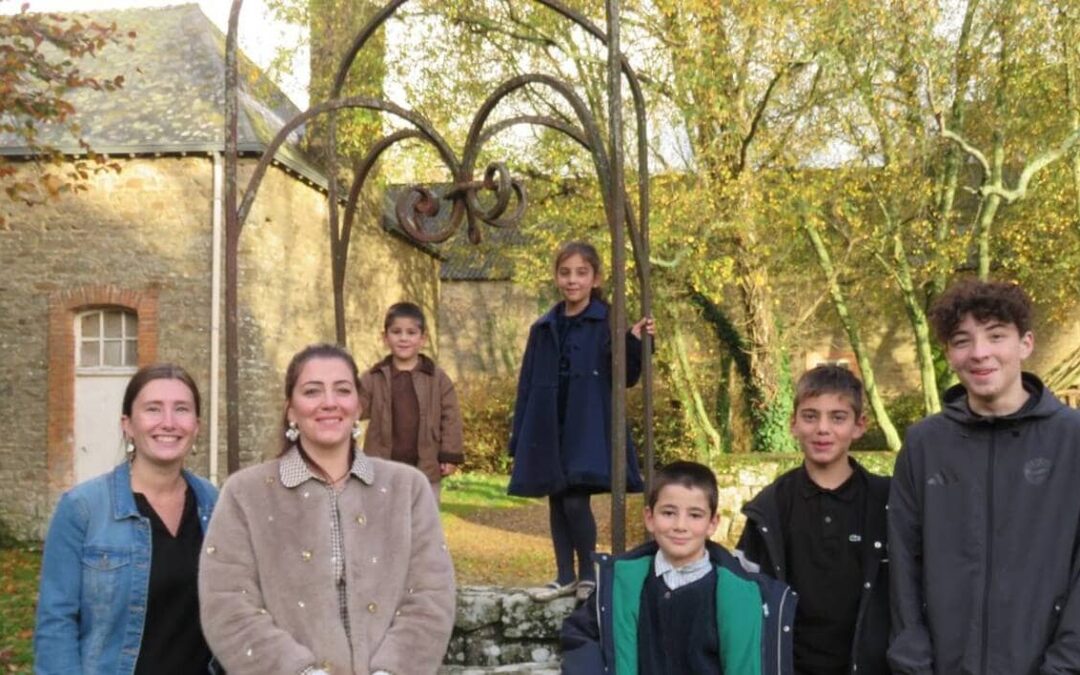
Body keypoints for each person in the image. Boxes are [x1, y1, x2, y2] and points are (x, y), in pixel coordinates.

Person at [199, 343, 455, 675]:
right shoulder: (245, 494)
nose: (329, 403)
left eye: (343, 390)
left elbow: (430, 595)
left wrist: (391, 671)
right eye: (312, 391)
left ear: (358, 405)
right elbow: (228, 603)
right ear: (290, 409)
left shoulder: (407, 489)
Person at [889, 279, 1080, 674]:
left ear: (1025, 344)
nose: (979, 353)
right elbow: (903, 562)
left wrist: (1065, 665)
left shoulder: (1072, 440)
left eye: (996, 336)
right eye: (962, 341)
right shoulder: (924, 444)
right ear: (948, 353)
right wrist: (914, 664)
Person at [34, 363, 218, 674]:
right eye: (153, 409)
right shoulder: (83, 509)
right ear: (128, 424)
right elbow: (56, 624)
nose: (169, 422)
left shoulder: (213, 503)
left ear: (197, 425)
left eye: (182, 409)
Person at [508, 240, 655, 602]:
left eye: (581, 273)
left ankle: (588, 574)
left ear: (595, 278)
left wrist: (635, 343)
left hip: (586, 423)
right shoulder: (543, 327)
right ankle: (564, 575)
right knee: (557, 498)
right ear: (557, 277)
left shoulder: (607, 322)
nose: (572, 280)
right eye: (565, 272)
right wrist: (519, 436)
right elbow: (527, 382)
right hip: (549, 423)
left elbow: (627, 376)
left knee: (575, 499)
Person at [560, 460, 796, 674]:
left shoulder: (743, 595)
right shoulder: (622, 583)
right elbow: (579, 632)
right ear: (650, 518)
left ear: (712, 523)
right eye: (669, 513)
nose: (680, 526)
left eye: (695, 515)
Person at [737, 365, 890, 675]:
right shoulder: (770, 507)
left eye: (837, 417)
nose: (823, 429)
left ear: (859, 426)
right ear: (793, 424)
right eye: (810, 416)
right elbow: (743, 598)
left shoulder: (887, 502)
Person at [358, 302, 464, 504]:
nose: (403, 338)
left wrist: (450, 455)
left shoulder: (437, 378)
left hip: (426, 466)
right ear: (385, 337)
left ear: (423, 338)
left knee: (423, 523)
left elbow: (451, 418)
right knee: (382, 522)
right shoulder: (374, 377)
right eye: (396, 332)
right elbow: (355, 406)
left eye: (411, 332)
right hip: (382, 466)